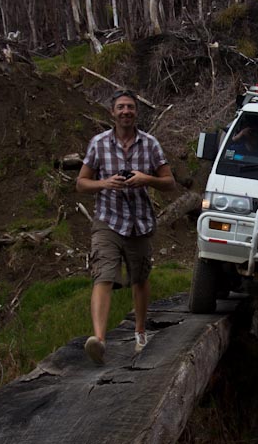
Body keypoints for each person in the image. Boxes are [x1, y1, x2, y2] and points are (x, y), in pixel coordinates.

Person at [76, 89, 176, 364]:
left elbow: (170, 183)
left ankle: (140, 332)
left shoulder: (151, 144)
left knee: (140, 278)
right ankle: (99, 339)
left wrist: (147, 179)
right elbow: (81, 183)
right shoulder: (98, 144)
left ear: (136, 112)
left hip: (139, 222)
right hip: (107, 219)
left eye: (130, 107)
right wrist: (105, 183)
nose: (126, 112)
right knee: (103, 274)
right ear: (112, 112)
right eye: (120, 107)